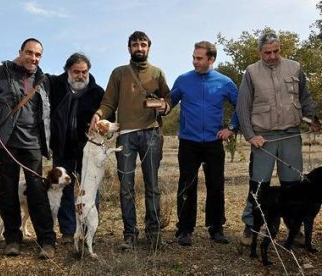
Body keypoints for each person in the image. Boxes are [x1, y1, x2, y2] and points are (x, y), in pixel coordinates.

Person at [237, 32, 320, 245]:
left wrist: (312, 120)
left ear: (280, 49)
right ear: (260, 52)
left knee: (293, 185)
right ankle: (250, 226)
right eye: (267, 52)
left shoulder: (295, 67)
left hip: (291, 134)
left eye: (276, 51)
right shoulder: (251, 72)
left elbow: (305, 98)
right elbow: (242, 107)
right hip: (263, 138)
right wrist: (250, 135)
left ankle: (295, 229)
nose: (272, 56)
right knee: (259, 185)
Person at [90, 31, 171, 250]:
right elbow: (109, 103)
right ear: (129, 48)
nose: (139, 48)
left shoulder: (157, 73)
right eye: (135, 45)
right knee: (126, 187)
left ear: (148, 48)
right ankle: (130, 234)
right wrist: (99, 114)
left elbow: (168, 99)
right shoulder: (119, 73)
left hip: (151, 133)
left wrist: (165, 106)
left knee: (152, 185)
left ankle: (154, 234)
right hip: (125, 135)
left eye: (143, 44)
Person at [0, 38, 56, 259]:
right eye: (29, 53)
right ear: (20, 52)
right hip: (6, 142)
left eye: (38, 55)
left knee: (37, 191)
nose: (33, 58)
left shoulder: (43, 79)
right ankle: (12, 239)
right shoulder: (0, 73)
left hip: (33, 144)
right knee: (8, 191)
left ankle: (47, 241)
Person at [170, 41, 239, 246]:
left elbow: (240, 106)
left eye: (199, 58)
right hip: (188, 143)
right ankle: (184, 229)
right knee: (186, 186)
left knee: (216, 185)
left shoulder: (225, 82)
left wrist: (232, 128)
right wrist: (159, 105)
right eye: (193, 57)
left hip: (213, 143)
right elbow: (168, 103)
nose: (195, 62)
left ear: (211, 59)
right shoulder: (182, 80)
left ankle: (216, 228)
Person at [48, 52, 108, 244]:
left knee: (90, 190)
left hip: (87, 150)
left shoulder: (97, 92)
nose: (80, 76)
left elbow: (108, 114)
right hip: (62, 147)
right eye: (76, 72)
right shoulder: (55, 86)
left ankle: (89, 230)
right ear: (68, 71)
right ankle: (67, 231)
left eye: (84, 71)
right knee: (64, 188)